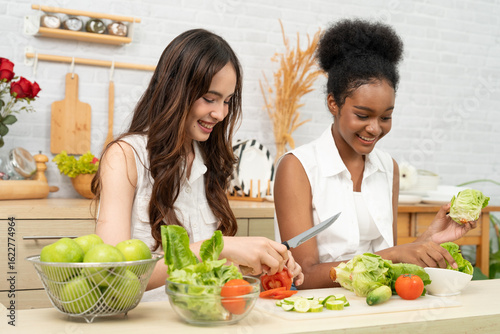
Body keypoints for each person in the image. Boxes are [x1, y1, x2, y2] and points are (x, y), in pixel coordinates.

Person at [92, 29, 303, 300]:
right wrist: (217, 247)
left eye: (227, 101)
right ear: (174, 89)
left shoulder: (210, 160)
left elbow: (211, 270)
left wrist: (264, 267)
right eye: (209, 98)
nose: (220, 113)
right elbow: (111, 274)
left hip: (204, 317)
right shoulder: (125, 156)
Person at [273, 19, 477, 289]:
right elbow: (304, 276)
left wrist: (429, 240)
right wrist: (393, 255)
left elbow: (385, 259)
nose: (374, 128)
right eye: (362, 115)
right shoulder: (298, 167)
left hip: (377, 306)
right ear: (333, 103)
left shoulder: (386, 167)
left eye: (386, 117)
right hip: (318, 314)